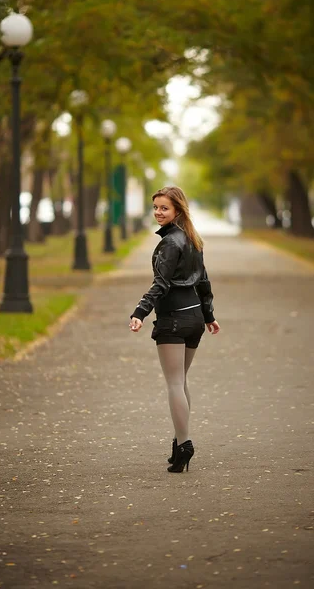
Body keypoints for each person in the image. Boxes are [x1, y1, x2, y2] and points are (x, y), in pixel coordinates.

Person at [129, 186, 220, 473]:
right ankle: (179, 441)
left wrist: (140, 312)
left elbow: (161, 283)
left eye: (164, 208)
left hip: (174, 320)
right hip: (194, 319)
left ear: (177, 210)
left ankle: (184, 445)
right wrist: (208, 315)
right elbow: (203, 282)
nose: (158, 212)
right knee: (180, 382)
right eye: (155, 207)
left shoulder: (171, 243)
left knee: (173, 383)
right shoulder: (193, 238)